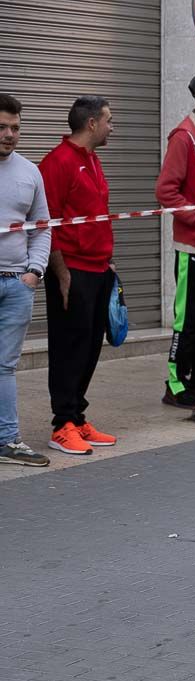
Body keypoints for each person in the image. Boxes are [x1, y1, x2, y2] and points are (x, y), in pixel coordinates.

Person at [38, 95, 118, 455]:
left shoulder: (94, 161)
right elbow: (47, 221)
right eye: (108, 120)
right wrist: (60, 271)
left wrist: (109, 263)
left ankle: (78, 417)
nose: (111, 127)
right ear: (91, 124)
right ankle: (62, 425)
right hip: (72, 270)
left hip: (98, 267)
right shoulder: (57, 163)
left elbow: (97, 214)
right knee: (69, 348)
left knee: (89, 348)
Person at [157, 72, 195, 409]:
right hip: (192, 245)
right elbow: (166, 190)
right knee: (187, 318)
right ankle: (175, 383)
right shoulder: (184, 136)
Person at [0, 93, 51, 467]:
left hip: (18, 284)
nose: (9, 135)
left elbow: (42, 228)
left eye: (15, 128)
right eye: (2, 127)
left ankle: (8, 440)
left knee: (5, 366)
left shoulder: (30, 172)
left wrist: (34, 272)